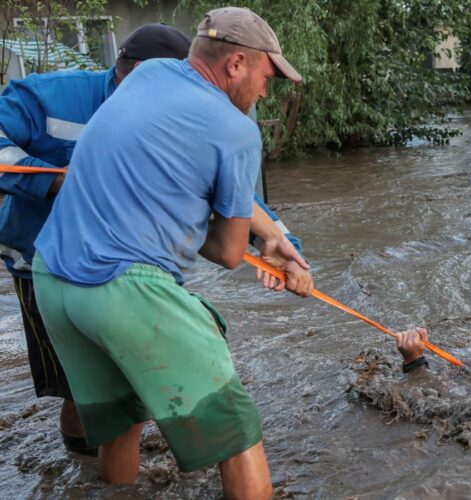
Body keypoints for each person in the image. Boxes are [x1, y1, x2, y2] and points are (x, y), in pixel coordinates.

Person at [30, 7, 308, 497]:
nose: (268, 90)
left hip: (52, 278)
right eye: (268, 76)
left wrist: (271, 236)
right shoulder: (238, 131)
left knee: (122, 422)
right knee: (237, 433)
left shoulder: (149, 73)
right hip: (124, 289)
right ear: (237, 64)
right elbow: (225, 252)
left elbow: (161, 175)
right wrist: (269, 252)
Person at [0, 23, 193, 456]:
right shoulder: (48, 96)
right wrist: (49, 181)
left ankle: (112, 462)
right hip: (43, 266)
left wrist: (278, 239)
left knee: (136, 373)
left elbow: (229, 189)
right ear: (138, 73)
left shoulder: (179, 113)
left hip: (132, 268)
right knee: (79, 385)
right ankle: (86, 468)